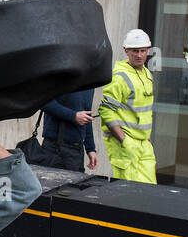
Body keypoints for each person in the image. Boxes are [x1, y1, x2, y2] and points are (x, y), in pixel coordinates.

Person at [98, 29, 157, 183]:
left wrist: (146, 137)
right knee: (129, 195)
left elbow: (142, 110)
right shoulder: (119, 77)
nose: (139, 55)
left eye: (143, 51)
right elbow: (106, 111)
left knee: (149, 192)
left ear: (148, 51)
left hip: (144, 143)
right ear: (126, 51)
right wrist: (123, 139)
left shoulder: (147, 74)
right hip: (126, 144)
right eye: (135, 51)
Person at [41, 90, 98, 171]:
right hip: (56, 148)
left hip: (77, 151)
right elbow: (43, 102)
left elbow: (86, 116)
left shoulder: (89, 83)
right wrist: (73, 116)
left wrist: (90, 149)